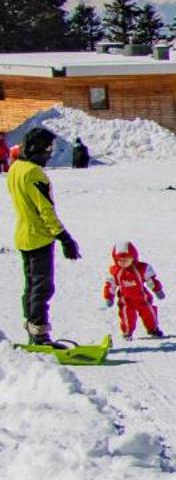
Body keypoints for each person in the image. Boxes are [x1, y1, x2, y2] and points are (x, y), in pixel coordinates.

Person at [7, 127, 81, 348]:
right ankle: (39, 334)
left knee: (31, 286)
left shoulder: (15, 168)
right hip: (38, 237)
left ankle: (32, 329)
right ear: (36, 149)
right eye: (48, 149)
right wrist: (64, 238)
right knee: (42, 287)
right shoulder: (34, 173)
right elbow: (45, 210)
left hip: (22, 236)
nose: (49, 154)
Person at [101, 240, 165, 340]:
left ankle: (153, 329)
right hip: (126, 300)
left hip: (143, 298)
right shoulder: (116, 271)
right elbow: (111, 285)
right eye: (120, 260)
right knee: (127, 316)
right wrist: (109, 297)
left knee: (149, 313)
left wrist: (157, 290)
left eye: (126, 259)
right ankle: (127, 332)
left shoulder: (141, 268)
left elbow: (151, 281)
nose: (123, 262)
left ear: (133, 257)